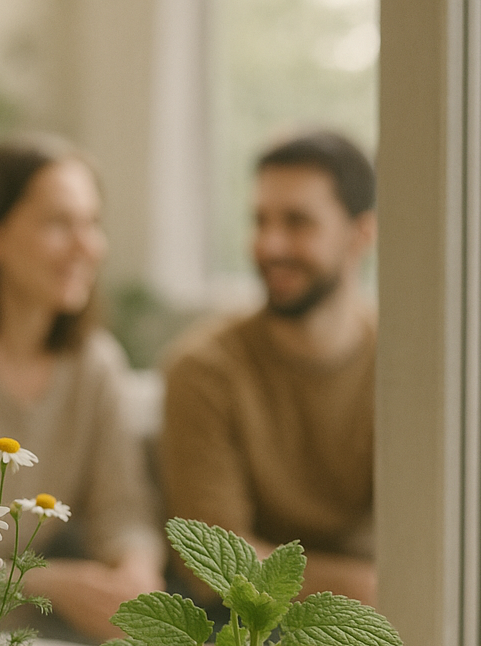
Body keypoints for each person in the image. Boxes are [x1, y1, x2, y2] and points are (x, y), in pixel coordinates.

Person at [0, 134, 166, 641]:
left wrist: (135, 572)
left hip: (44, 641)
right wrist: (47, 584)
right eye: (59, 224)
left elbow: (123, 508)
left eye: (92, 223)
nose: (88, 247)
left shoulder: (94, 364)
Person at [161, 130, 378, 607]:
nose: (269, 244)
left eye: (298, 222)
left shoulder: (403, 368)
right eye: (261, 221)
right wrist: (369, 587)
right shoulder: (204, 370)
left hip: (389, 625)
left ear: (361, 233)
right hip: (248, 626)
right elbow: (213, 568)